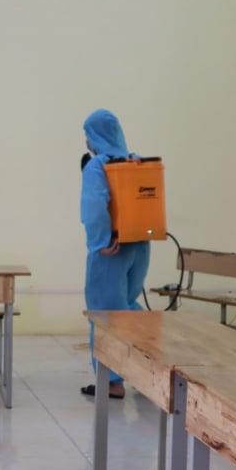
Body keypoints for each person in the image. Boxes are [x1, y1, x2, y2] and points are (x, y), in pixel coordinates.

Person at [79, 109, 151, 399]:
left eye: (87, 135)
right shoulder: (136, 161)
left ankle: (112, 381)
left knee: (104, 315)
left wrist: (99, 242)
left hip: (112, 248)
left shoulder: (99, 166)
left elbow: (95, 205)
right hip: (140, 245)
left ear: (95, 136)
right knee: (129, 308)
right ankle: (148, 372)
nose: (86, 141)